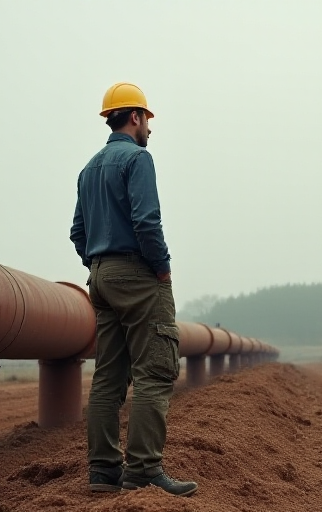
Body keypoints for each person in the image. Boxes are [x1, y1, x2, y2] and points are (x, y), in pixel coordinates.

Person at [70, 82, 197, 497]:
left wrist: (97, 265)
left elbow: (77, 232)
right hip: (138, 276)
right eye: (148, 120)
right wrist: (161, 270)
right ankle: (142, 470)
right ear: (136, 117)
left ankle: (103, 471)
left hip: (101, 277)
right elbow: (146, 222)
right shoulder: (138, 159)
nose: (150, 129)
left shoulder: (89, 168)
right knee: (155, 372)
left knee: (108, 376)